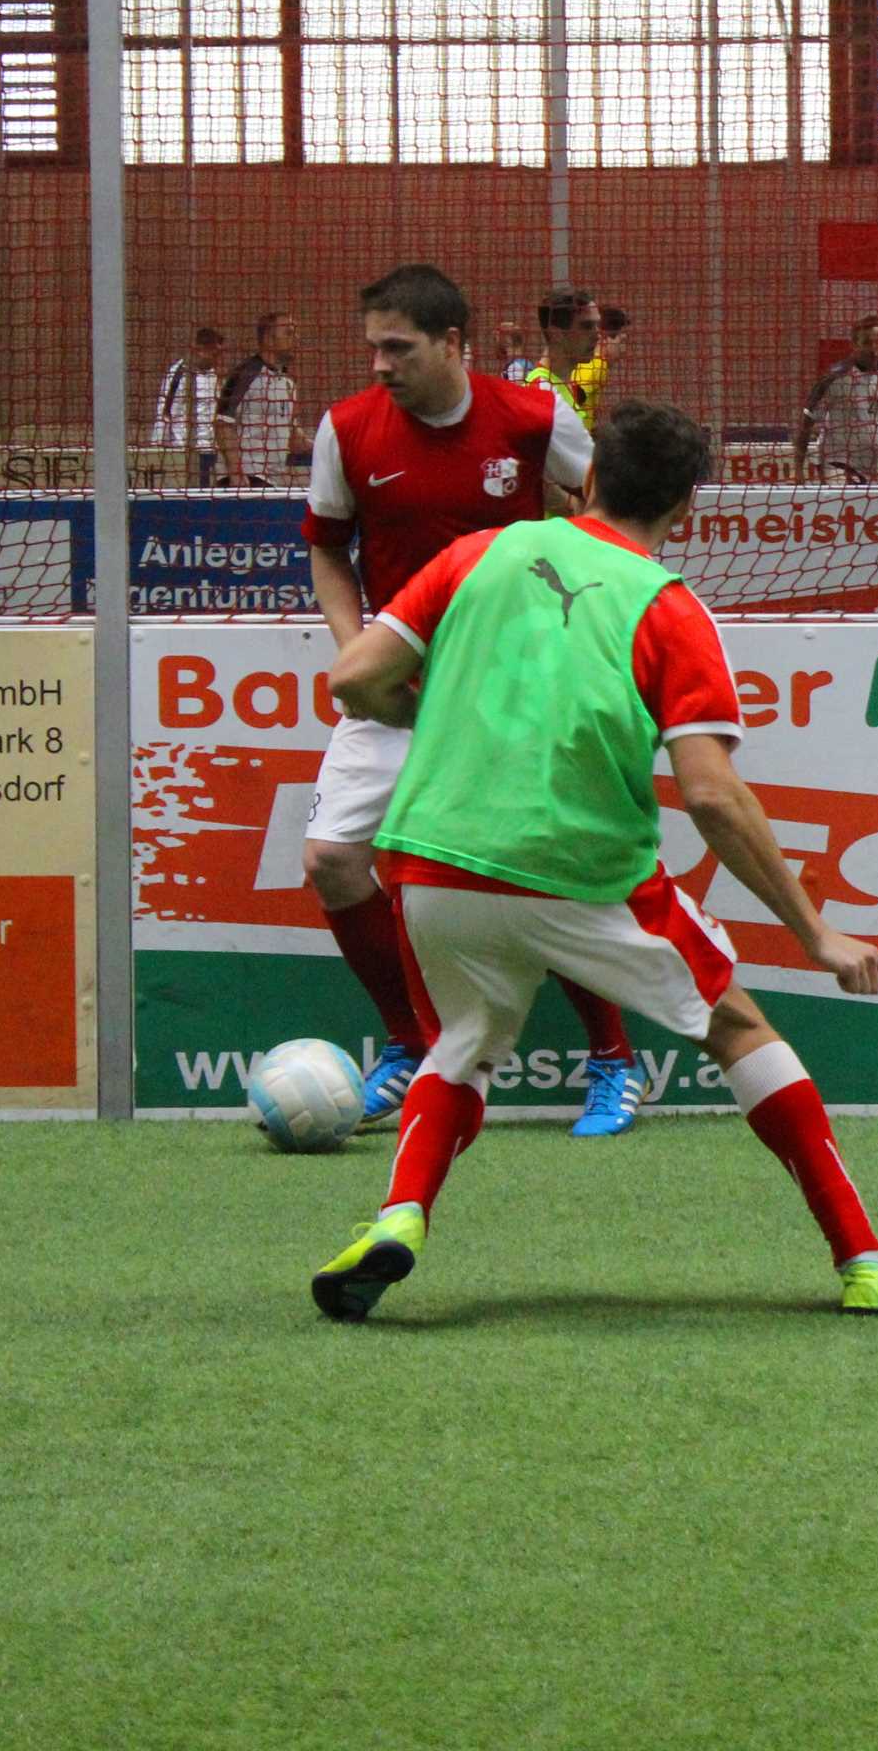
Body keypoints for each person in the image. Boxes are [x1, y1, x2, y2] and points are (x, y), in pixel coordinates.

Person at [314, 400, 878, 1321]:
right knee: (739, 1030)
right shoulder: (667, 608)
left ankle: (399, 1217)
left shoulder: (481, 553)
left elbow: (353, 677)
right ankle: (864, 1259)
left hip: (434, 861)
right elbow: (712, 796)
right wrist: (815, 932)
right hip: (580, 871)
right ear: (686, 508)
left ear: (586, 480)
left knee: (461, 1046)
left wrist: (437, 716)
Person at [297, 264, 649, 1142]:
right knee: (334, 861)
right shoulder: (347, 429)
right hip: (399, 687)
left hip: (515, 686)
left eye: (398, 348)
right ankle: (410, 1043)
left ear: (452, 343)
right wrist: (357, 652)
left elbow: (608, 518)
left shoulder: (533, 417)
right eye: (373, 347)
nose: (380, 365)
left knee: (546, 870)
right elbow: (328, 549)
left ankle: (613, 1059)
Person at [794, 315, 878, 481]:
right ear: (854, 344)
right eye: (867, 343)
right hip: (835, 462)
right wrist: (798, 469)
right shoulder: (835, 376)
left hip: (871, 466)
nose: (874, 349)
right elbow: (807, 421)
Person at [217, 314, 300, 489]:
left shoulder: (287, 383)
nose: (296, 339)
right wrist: (236, 472)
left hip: (272, 482)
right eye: (289, 333)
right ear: (269, 339)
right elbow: (222, 423)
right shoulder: (246, 374)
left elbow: (294, 436)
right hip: (246, 479)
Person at [148, 326, 226, 482]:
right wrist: (156, 448)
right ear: (201, 350)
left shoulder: (215, 375)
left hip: (210, 451)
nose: (217, 358)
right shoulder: (179, 374)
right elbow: (165, 412)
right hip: (184, 451)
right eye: (214, 353)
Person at [525, 288, 606, 432]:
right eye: (587, 326)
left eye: (597, 325)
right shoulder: (543, 392)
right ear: (556, 334)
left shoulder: (567, 385)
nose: (597, 335)